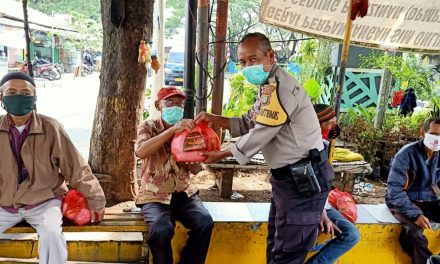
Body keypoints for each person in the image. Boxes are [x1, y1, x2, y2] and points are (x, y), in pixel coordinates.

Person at [194, 32, 334, 264]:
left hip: (304, 180)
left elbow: (263, 131)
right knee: (277, 243)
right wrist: (214, 119)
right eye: (243, 62)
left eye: (253, 59)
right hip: (287, 179)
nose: (248, 66)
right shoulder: (268, 85)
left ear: (270, 55)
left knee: (288, 251)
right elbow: (251, 120)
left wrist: (223, 153)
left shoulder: (281, 87)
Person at [0, 72, 106, 264]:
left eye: (25, 92)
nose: (19, 96)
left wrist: (95, 199)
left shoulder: (51, 127)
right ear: (2, 97)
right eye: (12, 92)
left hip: (43, 200)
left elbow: (76, 168)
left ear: (34, 98)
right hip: (4, 203)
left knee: (51, 234)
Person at [135, 87, 214, 264]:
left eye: (179, 103)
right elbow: (140, 152)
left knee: (204, 223)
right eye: (170, 102)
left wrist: (193, 160)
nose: (175, 107)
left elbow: (195, 170)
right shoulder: (148, 126)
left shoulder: (191, 130)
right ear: (158, 105)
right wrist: (171, 132)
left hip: (184, 193)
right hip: (153, 195)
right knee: (161, 230)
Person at [306, 104, 360, 264]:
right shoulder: (303, 147)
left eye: (335, 123)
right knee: (309, 242)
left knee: (352, 235)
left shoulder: (325, 146)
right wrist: (320, 213)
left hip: (321, 204)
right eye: (330, 123)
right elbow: (307, 185)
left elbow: (322, 182)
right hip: (304, 205)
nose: (334, 128)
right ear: (316, 123)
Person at [386, 117, 440, 264]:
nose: (437, 140)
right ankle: (428, 261)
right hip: (402, 200)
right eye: (434, 134)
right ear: (422, 133)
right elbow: (394, 191)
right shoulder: (406, 154)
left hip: (428, 197)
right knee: (414, 233)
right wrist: (415, 214)